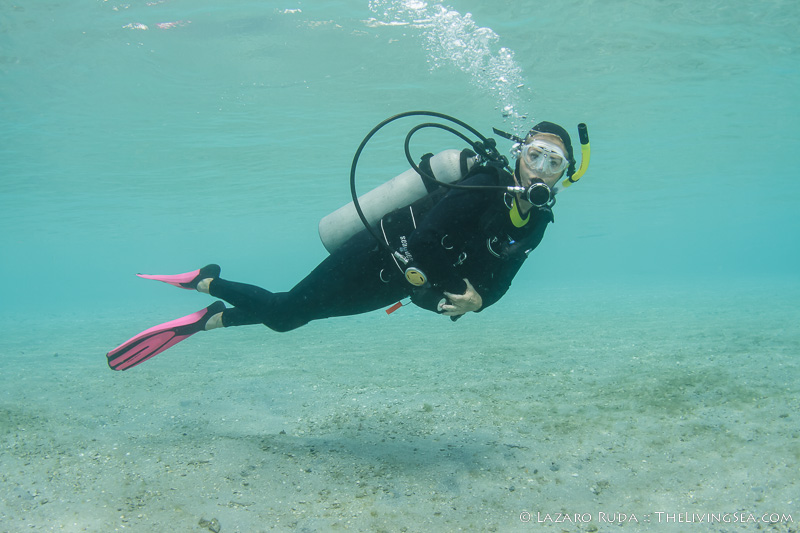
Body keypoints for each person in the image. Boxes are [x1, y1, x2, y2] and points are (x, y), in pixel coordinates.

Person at [107, 120, 579, 370]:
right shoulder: (483, 184)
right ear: (519, 154)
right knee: (287, 314)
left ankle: (213, 317)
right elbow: (425, 241)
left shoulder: (536, 222)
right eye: (534, 154)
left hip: (398, 283)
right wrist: (454, 289)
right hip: (377, 252)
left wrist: (480, 301)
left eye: (553, 162)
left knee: (298, 312)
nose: (540, 168)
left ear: (566, 174)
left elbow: (503, 277)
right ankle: (207, 283)